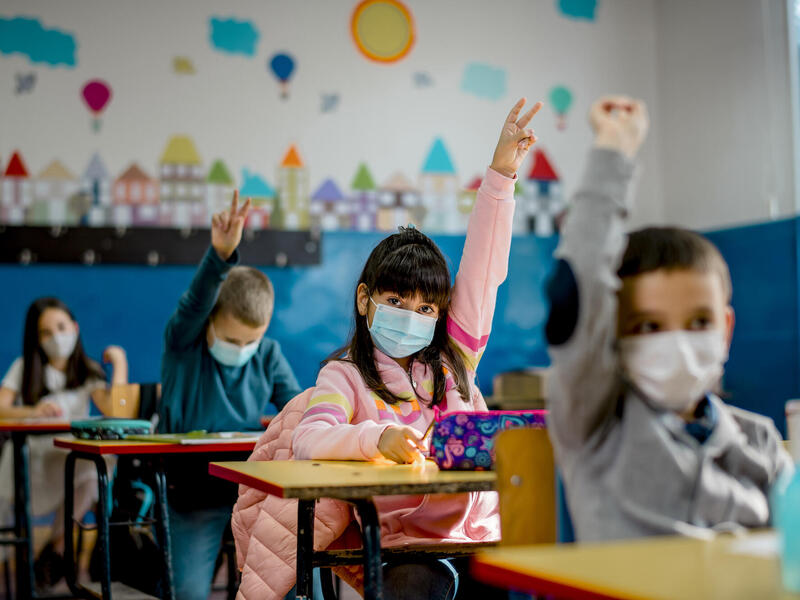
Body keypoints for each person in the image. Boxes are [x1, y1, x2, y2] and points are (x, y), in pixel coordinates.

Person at [233, 97, 543, 600]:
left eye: (426, 308)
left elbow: (485, 270)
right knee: (417, 582)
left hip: (480, 535)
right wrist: (375, 440)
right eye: (396, 300)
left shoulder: (454, 360)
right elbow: (311, 439)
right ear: (365, 300)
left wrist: (502, 174)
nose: (412, 316)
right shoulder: (346, 376)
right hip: (408, 548)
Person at [545, 95, 794, 542]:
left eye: (699, 322)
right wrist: (614, 152)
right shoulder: (596, 424)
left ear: (727, 330)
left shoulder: (761, 444)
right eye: (648, 326)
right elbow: (578, 288)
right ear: (611, 335)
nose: (677, 341)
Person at [159, 193, 302, 600]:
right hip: (191, 494)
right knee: (186, 592)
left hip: (252, 492)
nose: (240, 349)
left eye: (250, 341)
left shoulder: (268, 353)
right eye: (229, 338)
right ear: (209, 323)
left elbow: (295, 407)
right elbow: (194, 303)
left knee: (285, 581)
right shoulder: (183, 345)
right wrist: (220, 255)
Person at [0, 296, 128, 587]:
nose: (56, 337)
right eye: (46, 332)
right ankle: (55, 553)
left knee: (99, 469)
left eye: (61, 327)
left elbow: (116, 410)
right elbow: (1, 405)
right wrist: (31, 411)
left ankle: (56, 548)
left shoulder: (87, 371)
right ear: (36, 338)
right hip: (33, 459)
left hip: (70, 458)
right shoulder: (24, 367)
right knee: (89, 468)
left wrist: (119, 363)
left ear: (74, 327)